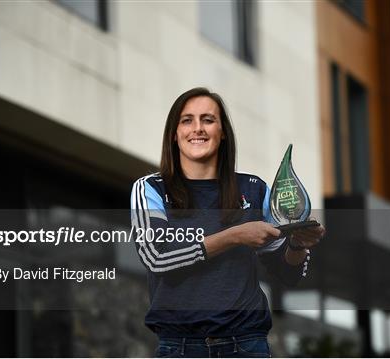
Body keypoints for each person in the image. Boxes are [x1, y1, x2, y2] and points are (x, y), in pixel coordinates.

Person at [131, 87, 325, 357]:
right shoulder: (151, 188)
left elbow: (287, 273)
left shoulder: (255, 189)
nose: (197, 128)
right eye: (187, 120)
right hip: (180, 348)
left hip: (246, 345)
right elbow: (157, 257)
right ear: (174, 134)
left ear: (222, 133)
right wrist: (235, 236)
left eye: (208, 120)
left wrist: (297, 244)